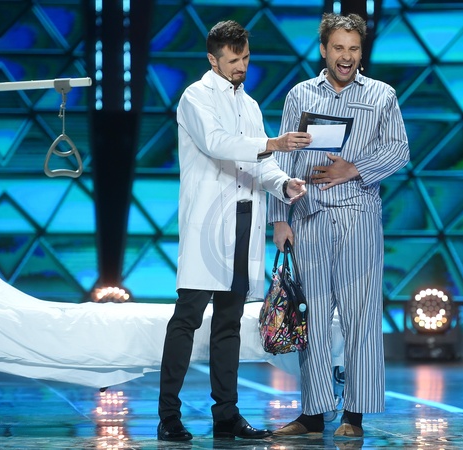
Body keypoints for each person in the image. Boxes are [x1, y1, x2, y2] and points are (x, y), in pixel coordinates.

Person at [157, 20, 312, 442]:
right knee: (188, 317)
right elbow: (218, 143)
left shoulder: (251, 105)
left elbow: (261, 164)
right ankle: (168, 416)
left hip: (245, 222)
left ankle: (226, 415)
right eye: (232, 60)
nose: (241, 66)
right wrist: (274, 144)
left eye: (244, 57)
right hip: (208, 224)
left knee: (229, 322)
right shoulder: (195, 97)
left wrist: (284, 183)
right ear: (213, 59)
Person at [267, 13, 409, 439]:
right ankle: (313, 414)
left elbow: (399, 150)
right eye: (338, 48)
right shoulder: (300, 94)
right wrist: (279, 219)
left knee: (360, 316)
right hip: (308, 217)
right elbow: (282, 160)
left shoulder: (382, 95)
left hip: (358, 217)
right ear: (324, 50)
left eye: (353, 48)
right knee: (310, 316)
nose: (346, 57)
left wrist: (353, 168)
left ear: (361, 52)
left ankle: (354, 415)